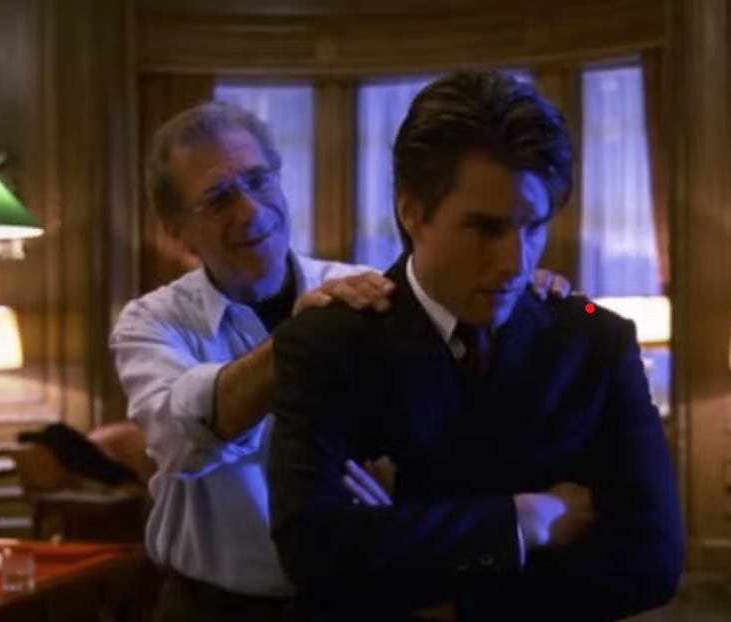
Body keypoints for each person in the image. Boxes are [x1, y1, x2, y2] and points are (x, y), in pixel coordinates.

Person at [110, 100, 571, 622]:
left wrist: (521, 294)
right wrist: (303, 340)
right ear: (174, 227)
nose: (251, 211)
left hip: (354, 602)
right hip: (210, 609)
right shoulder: (150, 323)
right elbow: (181, 440)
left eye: (259, 181)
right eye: (218, 198)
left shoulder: (364, 288)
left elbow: (445, 416)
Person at [268, 71, 685, 622]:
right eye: (486, 229)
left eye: (533, 227)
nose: (516, 262)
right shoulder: (326, 342)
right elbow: (316, 555)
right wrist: (523, 521)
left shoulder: (596, 340)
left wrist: (449, 598)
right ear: (412, 212)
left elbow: (651, 561)